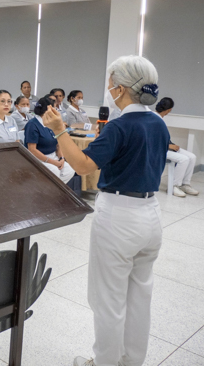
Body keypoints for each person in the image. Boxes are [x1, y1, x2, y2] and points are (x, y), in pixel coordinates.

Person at [34, 56, 169, 366]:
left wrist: (59, 130)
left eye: (110, 84)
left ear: (120, 89)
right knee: (140, 297)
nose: (108, 89)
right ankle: (131, 360)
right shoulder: (158, 123)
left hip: (120, 217)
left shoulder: (120, 126)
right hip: (151, 215)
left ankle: (104, 362)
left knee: (107, 299)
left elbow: (81, 166)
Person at [24, 96, 75, 184]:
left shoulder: (51, 123)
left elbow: (58, 144)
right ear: (48, 110)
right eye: (54, 108)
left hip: (53, 156)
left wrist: (61, 158)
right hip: (38, 159)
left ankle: (55, 190)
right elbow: (32, 150)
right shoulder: (32, 124)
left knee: (70, 169)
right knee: (54, 171)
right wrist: (52, 162)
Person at [156, 97, 199, 197]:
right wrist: (168, 145)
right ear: (169, 110)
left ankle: (185, 184)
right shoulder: (154, 118)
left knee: (192, 157)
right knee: (183, 159)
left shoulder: (160, 118)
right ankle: (173, 186)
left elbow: (163, 136)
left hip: (166, 146)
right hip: (159, 149)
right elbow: (152, 139)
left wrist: (171, 144)